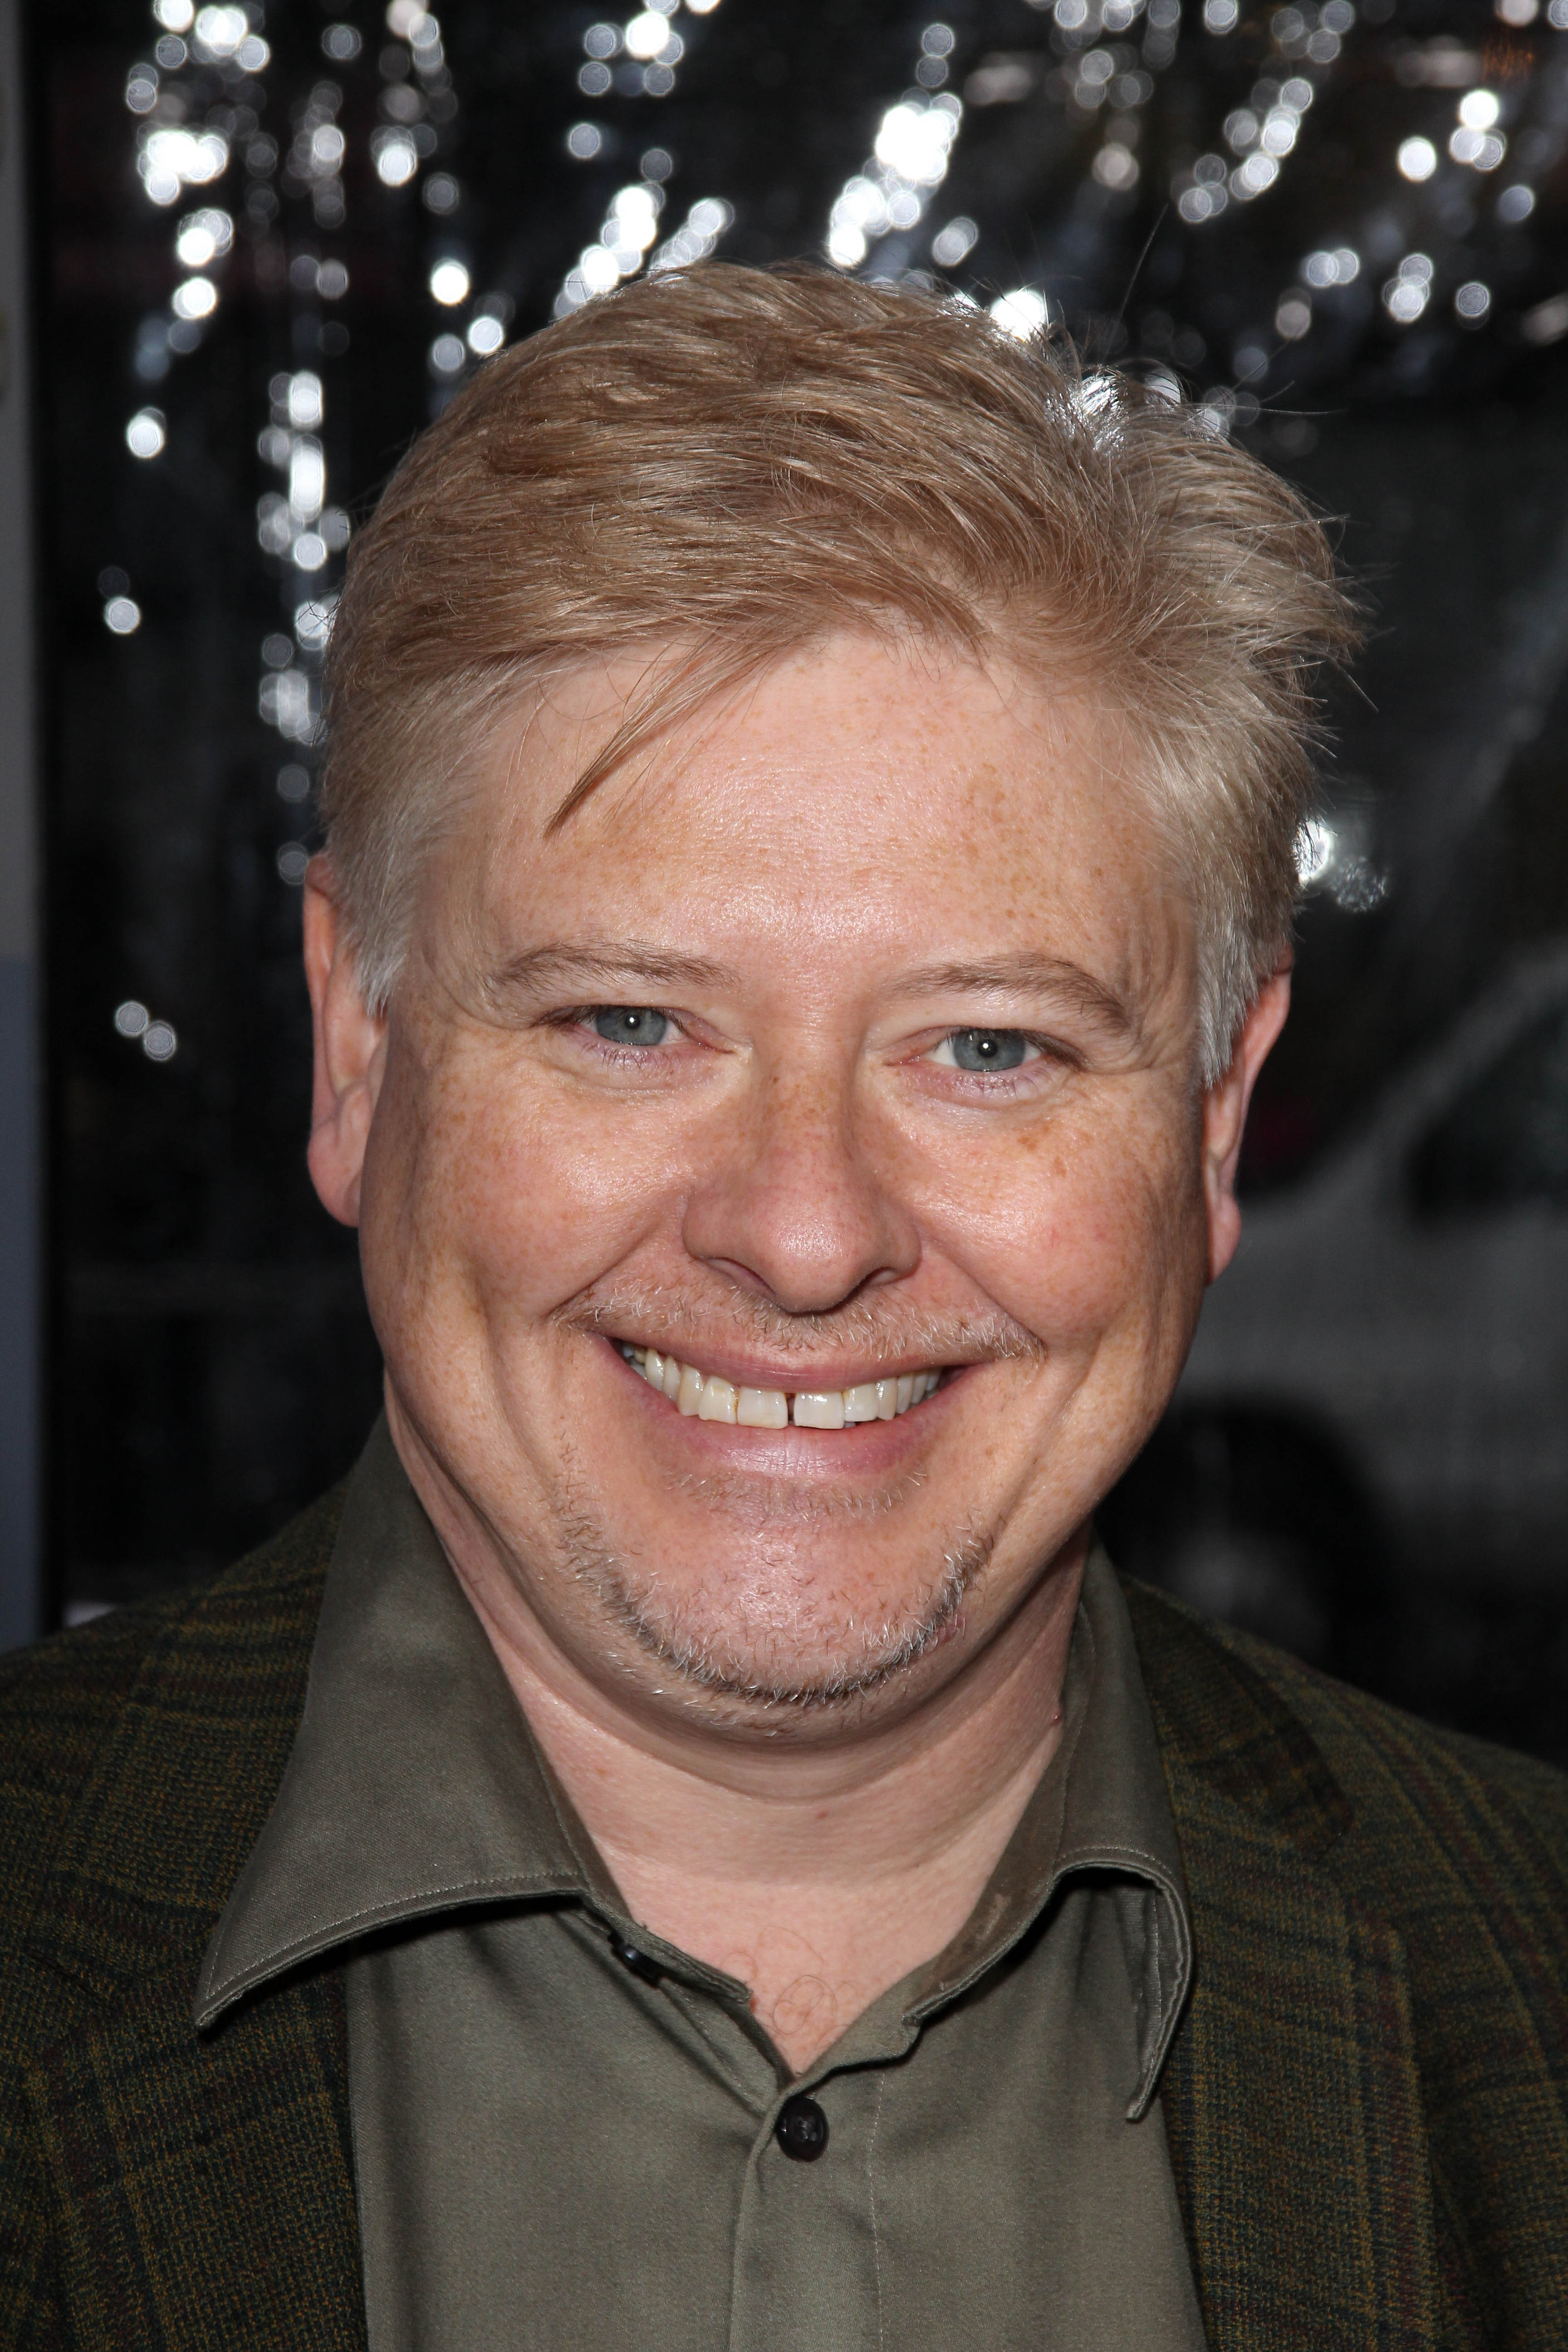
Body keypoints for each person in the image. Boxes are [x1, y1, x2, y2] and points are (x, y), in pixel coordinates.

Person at [2, 265, 1565, 2352]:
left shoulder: (1531, 2001)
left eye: (989, 1047)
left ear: (1214, 1120)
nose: (808, 1234)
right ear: (356, 1052)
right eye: (631, 1023)